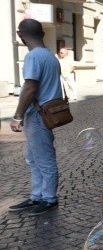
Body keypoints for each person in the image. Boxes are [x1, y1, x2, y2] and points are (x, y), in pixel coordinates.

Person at [9, 19, 63, 216]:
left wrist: (17, 116)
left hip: (39, 115)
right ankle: (36, 196)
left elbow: (30, 88)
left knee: (44, 159)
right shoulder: (50, 56)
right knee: (33, 158)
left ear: (20, 34)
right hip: (45, 113)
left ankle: (49, 199)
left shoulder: (33, 57)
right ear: (42, 34)